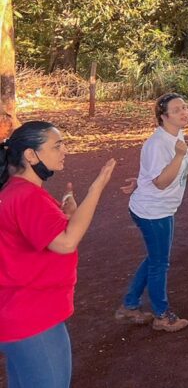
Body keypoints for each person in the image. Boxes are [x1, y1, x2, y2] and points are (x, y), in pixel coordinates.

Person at [0, 122, 117, 388]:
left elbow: (48, 236)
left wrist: (68, 216)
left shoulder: (16, 192)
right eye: (57, 146)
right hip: (33, 320)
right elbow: (66, 243)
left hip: (17, 315)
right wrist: (96, 188)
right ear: (31, 155)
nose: (64, 150)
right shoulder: (28, 197)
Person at [117, 93, 188, 332]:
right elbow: (161, 181)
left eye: (185, 107)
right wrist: (179, 156)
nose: (184, 112)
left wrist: (141, 181)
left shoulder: (175, 134)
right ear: (163, 116)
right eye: (177, 109)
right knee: (160, 263)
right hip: (153, 212)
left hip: (162, 208)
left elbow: (151, 174)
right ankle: (162, 315)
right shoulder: (158, 143)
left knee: (155, 258)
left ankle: (130, 305)